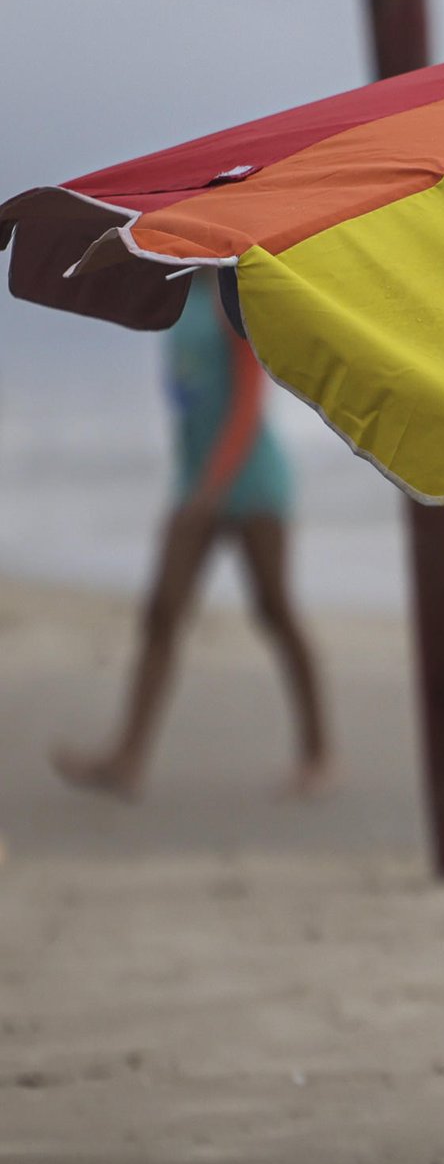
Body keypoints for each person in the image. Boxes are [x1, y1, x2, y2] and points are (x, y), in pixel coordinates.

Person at [53, 275, 331, 801]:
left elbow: (250, 403)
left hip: (251, 483)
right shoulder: (178, 298)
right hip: (194, 483)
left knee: (274, 611)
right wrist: (190, 486)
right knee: (161, 612)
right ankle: (127, 760)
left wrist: (211, 487)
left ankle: (318, 755)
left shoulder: (233, 300)